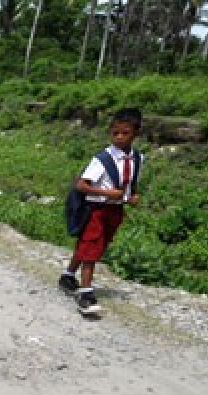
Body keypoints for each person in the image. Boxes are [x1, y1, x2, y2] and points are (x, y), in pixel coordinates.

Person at [60, 108, 144, 314]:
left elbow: (130, 183)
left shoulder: (138, 159)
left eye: (125, 133)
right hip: (96, 209)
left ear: (136, 134)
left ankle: (68, 276)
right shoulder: (102, 159)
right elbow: (81, 185)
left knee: (92, 245)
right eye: (115, 133)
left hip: (114, 211)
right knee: (92, 249)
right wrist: (106, 193)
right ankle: (85, 294)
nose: (119, 137)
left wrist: (130, 197)